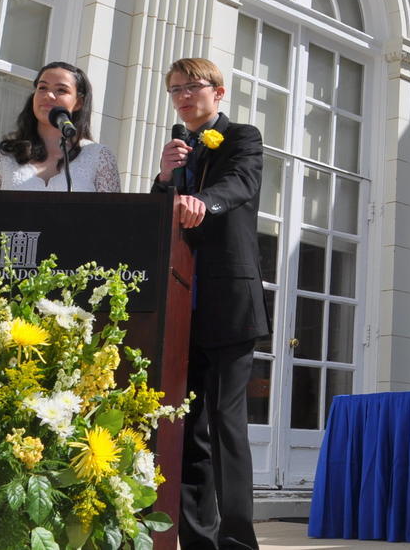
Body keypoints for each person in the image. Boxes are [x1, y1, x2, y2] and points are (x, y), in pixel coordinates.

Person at [154, 58, 268, 550]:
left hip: (228, 303)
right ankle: (198, 540)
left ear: (218, 93)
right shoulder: (178, 151)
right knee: (188, 429)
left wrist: (206, 200)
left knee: (225, 424)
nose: (183, 95)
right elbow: (160, 218)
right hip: (182, 307)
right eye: (174, 89)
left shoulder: (243, 137)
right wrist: (164, 179)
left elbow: (241, 184)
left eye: (192, 87)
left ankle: (237, 542)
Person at [0, 61, 120, 192]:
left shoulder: (99, 157)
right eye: (42, 88)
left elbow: (111, 215)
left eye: (61, 90)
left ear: (79, 103)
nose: (48, 95)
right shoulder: (3, 156)